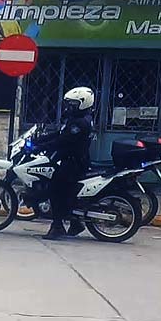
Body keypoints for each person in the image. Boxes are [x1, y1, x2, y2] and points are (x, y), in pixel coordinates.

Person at [33, 86, 95, 240]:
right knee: (64, 191)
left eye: (72, 104)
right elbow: (59, 134)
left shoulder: (80, 123)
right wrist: (38, 140)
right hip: (73, 160)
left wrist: (40, 147)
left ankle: (57, 226)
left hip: (74, 163)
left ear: (82, 103)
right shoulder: (78, 119)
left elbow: (62, 141)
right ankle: (74, 222)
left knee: (55, 189)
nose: (69, 107)